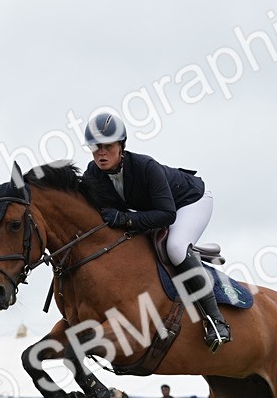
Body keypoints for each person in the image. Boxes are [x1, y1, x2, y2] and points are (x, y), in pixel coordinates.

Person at [79, 112, 231, 351]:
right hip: (157, 210)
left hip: (190, 202)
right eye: (95, 147)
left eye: (108, 146)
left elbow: (167, 215)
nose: (101, 153)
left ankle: (216, 321)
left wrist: (125, 218)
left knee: (176, 247)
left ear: (121, 146)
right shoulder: (93, 173)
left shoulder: (145, 166)